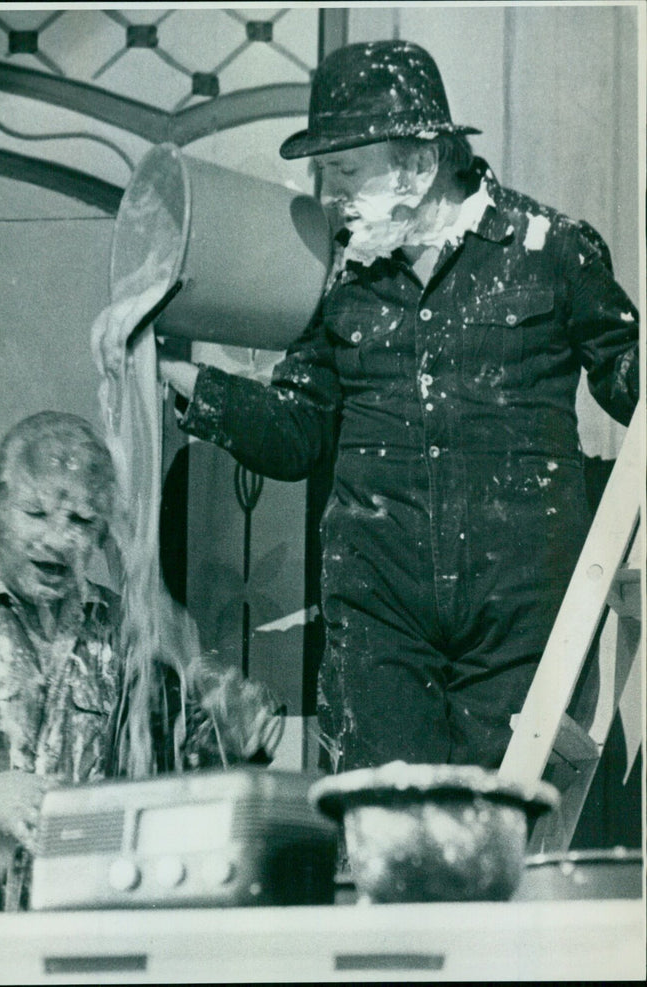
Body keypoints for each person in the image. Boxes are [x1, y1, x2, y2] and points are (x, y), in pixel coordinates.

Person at [154, 41, 640, 773]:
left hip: (522, 619)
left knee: (500, 838)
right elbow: (297, 430)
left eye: (346, 170)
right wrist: (190, 386)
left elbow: (632, 381)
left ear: (418, 160)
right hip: (380, 619)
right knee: (382, 837)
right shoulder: (344, 279)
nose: (330, 193)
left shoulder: (553, 251)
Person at [0, 411, 282, 908]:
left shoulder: (119, 626)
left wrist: (238, 740)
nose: (58, 539)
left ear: (102, 534)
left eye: (81, 521)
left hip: (67, 913)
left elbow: (167, 782)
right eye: (35, 513)